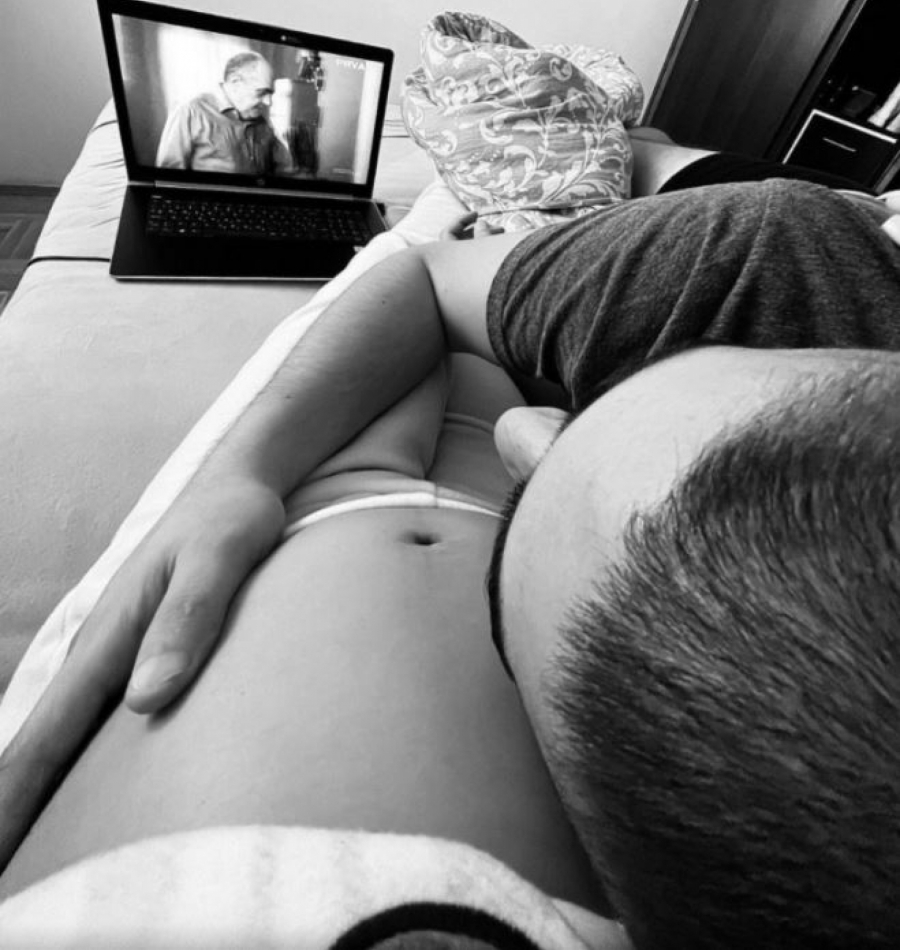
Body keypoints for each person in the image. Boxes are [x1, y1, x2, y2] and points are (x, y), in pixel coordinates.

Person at [3, 147, 900, 946]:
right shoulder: (783, 256)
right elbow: (427, 283)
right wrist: (234, 475)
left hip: (388, 472)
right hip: (452, 396)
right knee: (473, 219)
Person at [155, 51, 285, 175]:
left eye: (270, 94)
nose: (268, 102)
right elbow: (168, 176)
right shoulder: (191, 111)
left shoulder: (260, 121)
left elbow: (281, 170)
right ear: (235, 83)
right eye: (261, 93)